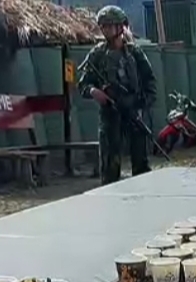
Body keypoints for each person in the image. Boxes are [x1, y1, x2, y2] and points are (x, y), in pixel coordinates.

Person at [78, 5, 157, 186]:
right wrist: (94, 92)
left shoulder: (135, 53)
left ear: (120, 27)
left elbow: (150, 84)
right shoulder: (97, 54)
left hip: (133, 111)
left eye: (109, 25)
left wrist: (141, 106)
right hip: (110, 114)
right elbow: (83, 84)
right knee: (110, 166)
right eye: (103, 26)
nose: (105, 29)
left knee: (141, 164)